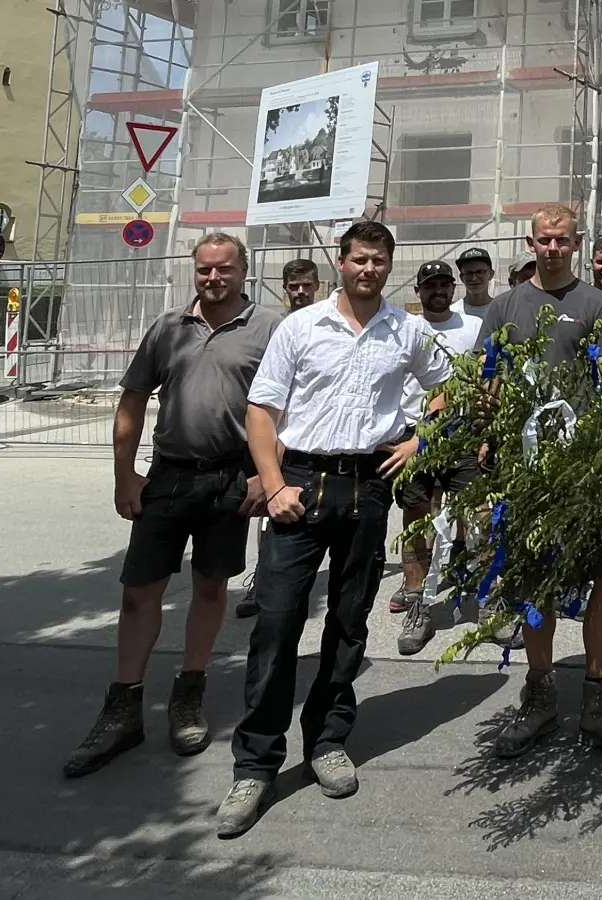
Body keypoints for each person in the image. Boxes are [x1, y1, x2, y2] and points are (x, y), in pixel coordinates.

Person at [216, 221, 453, 838]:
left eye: (379, 261)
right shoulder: (300, 327)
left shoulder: (407, 330)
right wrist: (273, 486)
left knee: (350, 623)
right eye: (359, 259)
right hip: (301, 484)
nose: (368, 269)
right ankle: (256, 764)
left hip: (367, 487)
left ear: (388, 266)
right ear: (340, 263)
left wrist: (420, 440)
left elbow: (451, 390)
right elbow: (262, 411)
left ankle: (326, 741)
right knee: (276, 623)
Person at [63, 233, 281, 779]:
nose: (213, 278)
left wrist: (266, 474)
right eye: (204, 269)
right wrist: (123, 476)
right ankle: (123, 708)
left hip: (230, 480)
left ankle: (189, 692)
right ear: (195, 271)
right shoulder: (167, 327)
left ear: (243, 270)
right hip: (168, 478)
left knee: (210, 587)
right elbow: (132, 400)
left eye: (223, 269)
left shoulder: (270, 328)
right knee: (139, 593)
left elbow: (289, 407)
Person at [474, 203, 602, 763]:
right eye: (543, 240)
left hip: (590, 470)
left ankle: (599, 697)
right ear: (531, 242)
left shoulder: (597, 304)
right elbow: (488, 380)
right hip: (526, 474)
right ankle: (541, 694)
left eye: (561, 240)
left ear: (576, 243)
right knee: (534, 584)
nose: (552, 248)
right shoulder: (503, 307)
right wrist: (487, 432)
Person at [391, 260, 484, 655]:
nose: (438, 291)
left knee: (476, 515)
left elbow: (484, 378)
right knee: (416, 518)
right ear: (419, 290)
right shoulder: (403, 328)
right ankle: (418, 601)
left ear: (454, 287)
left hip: (462, 432)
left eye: (445, 284)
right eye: (430, 285)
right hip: (413, 436)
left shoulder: (473, 328)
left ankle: (486, 600)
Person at [235, 258, 322, 620]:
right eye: (293, 286)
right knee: (266, 506)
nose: (300, 292)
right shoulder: (275, 326)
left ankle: (294, 580)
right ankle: (264, 579)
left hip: (311, 436)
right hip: (274, 430)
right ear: (284, 288)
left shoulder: (325, 323)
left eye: (306, 285)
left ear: (317, 285)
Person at [456, 247, 495, 315]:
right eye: (468, 273)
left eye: (480, 272)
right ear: (462, 278)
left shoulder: (501, 310)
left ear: (491, 274)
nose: (474, 278)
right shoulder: (453, 313)